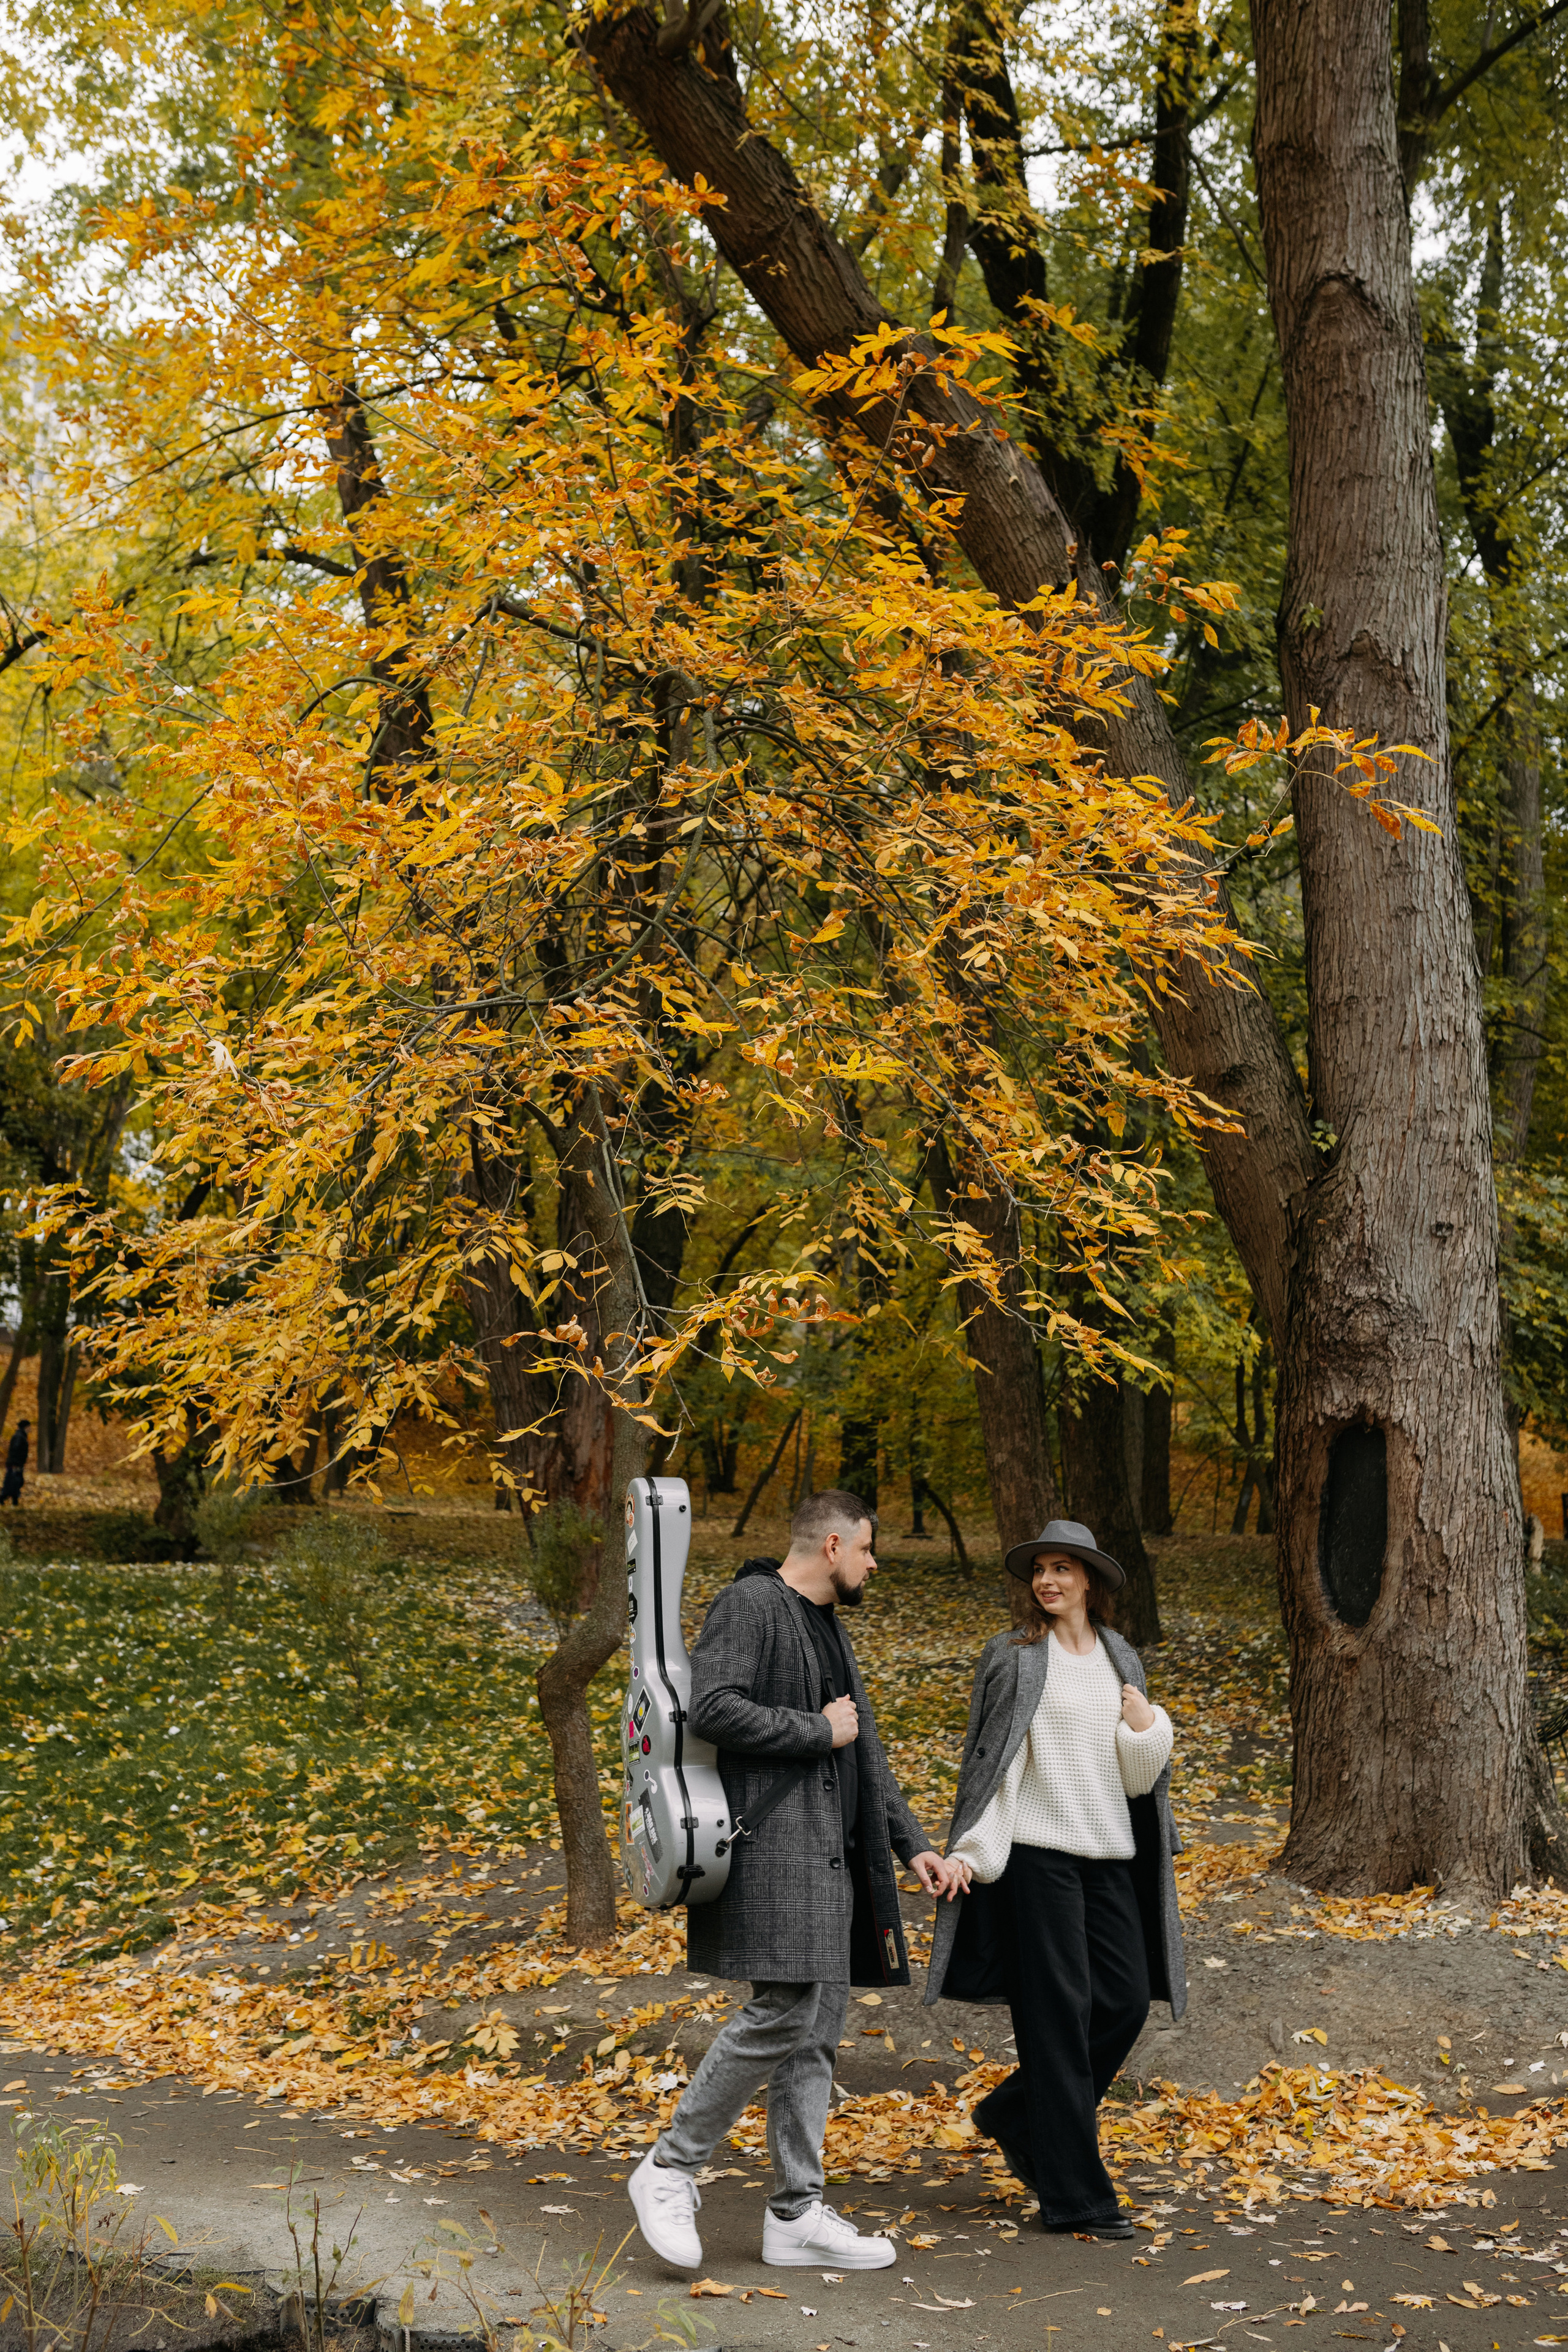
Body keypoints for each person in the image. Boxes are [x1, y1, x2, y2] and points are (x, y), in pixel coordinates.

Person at [627, 1489, 949, 2273]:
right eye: (868, 1548)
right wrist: (816, 1729)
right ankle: (669, 2166)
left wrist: (910, 1845)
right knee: (784, 2011)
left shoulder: (827, 1626)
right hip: (776, 1851)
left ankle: (796, 2213)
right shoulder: (752, 1604)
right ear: (832, 1545)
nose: (874, 1564)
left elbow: (862, 1750)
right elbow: (712, 1707)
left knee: (815, 2036)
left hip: (834, 1858)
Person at [923, 1517, 1185, 2241]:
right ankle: (1076, 2197)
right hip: (1036, 1860)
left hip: (1109, 1857)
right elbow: (991, 1765)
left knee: (1124, 2003)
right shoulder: (1012, 1656)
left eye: (1063, 1568)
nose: (1047, 1580)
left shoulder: (1120, 1655)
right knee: (1058, 2022)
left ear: (1090, 1581)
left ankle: (1014, 2113)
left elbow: (1137, 1780)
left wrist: (1147, 1726)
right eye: (1039, 1569)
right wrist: (970, 1853)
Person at [1, 1419, 29, 1507]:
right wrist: (16, 1463)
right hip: (15, 1464)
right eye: (29, 1427)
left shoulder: (21, 1436)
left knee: (16, 1482)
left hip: (16, 1463)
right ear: (25, 1427)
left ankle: (13, 1500)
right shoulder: (19, 1437)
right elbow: (15, 1450)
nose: (30, 1429)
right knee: (13, 1482)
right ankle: (6, 1499)